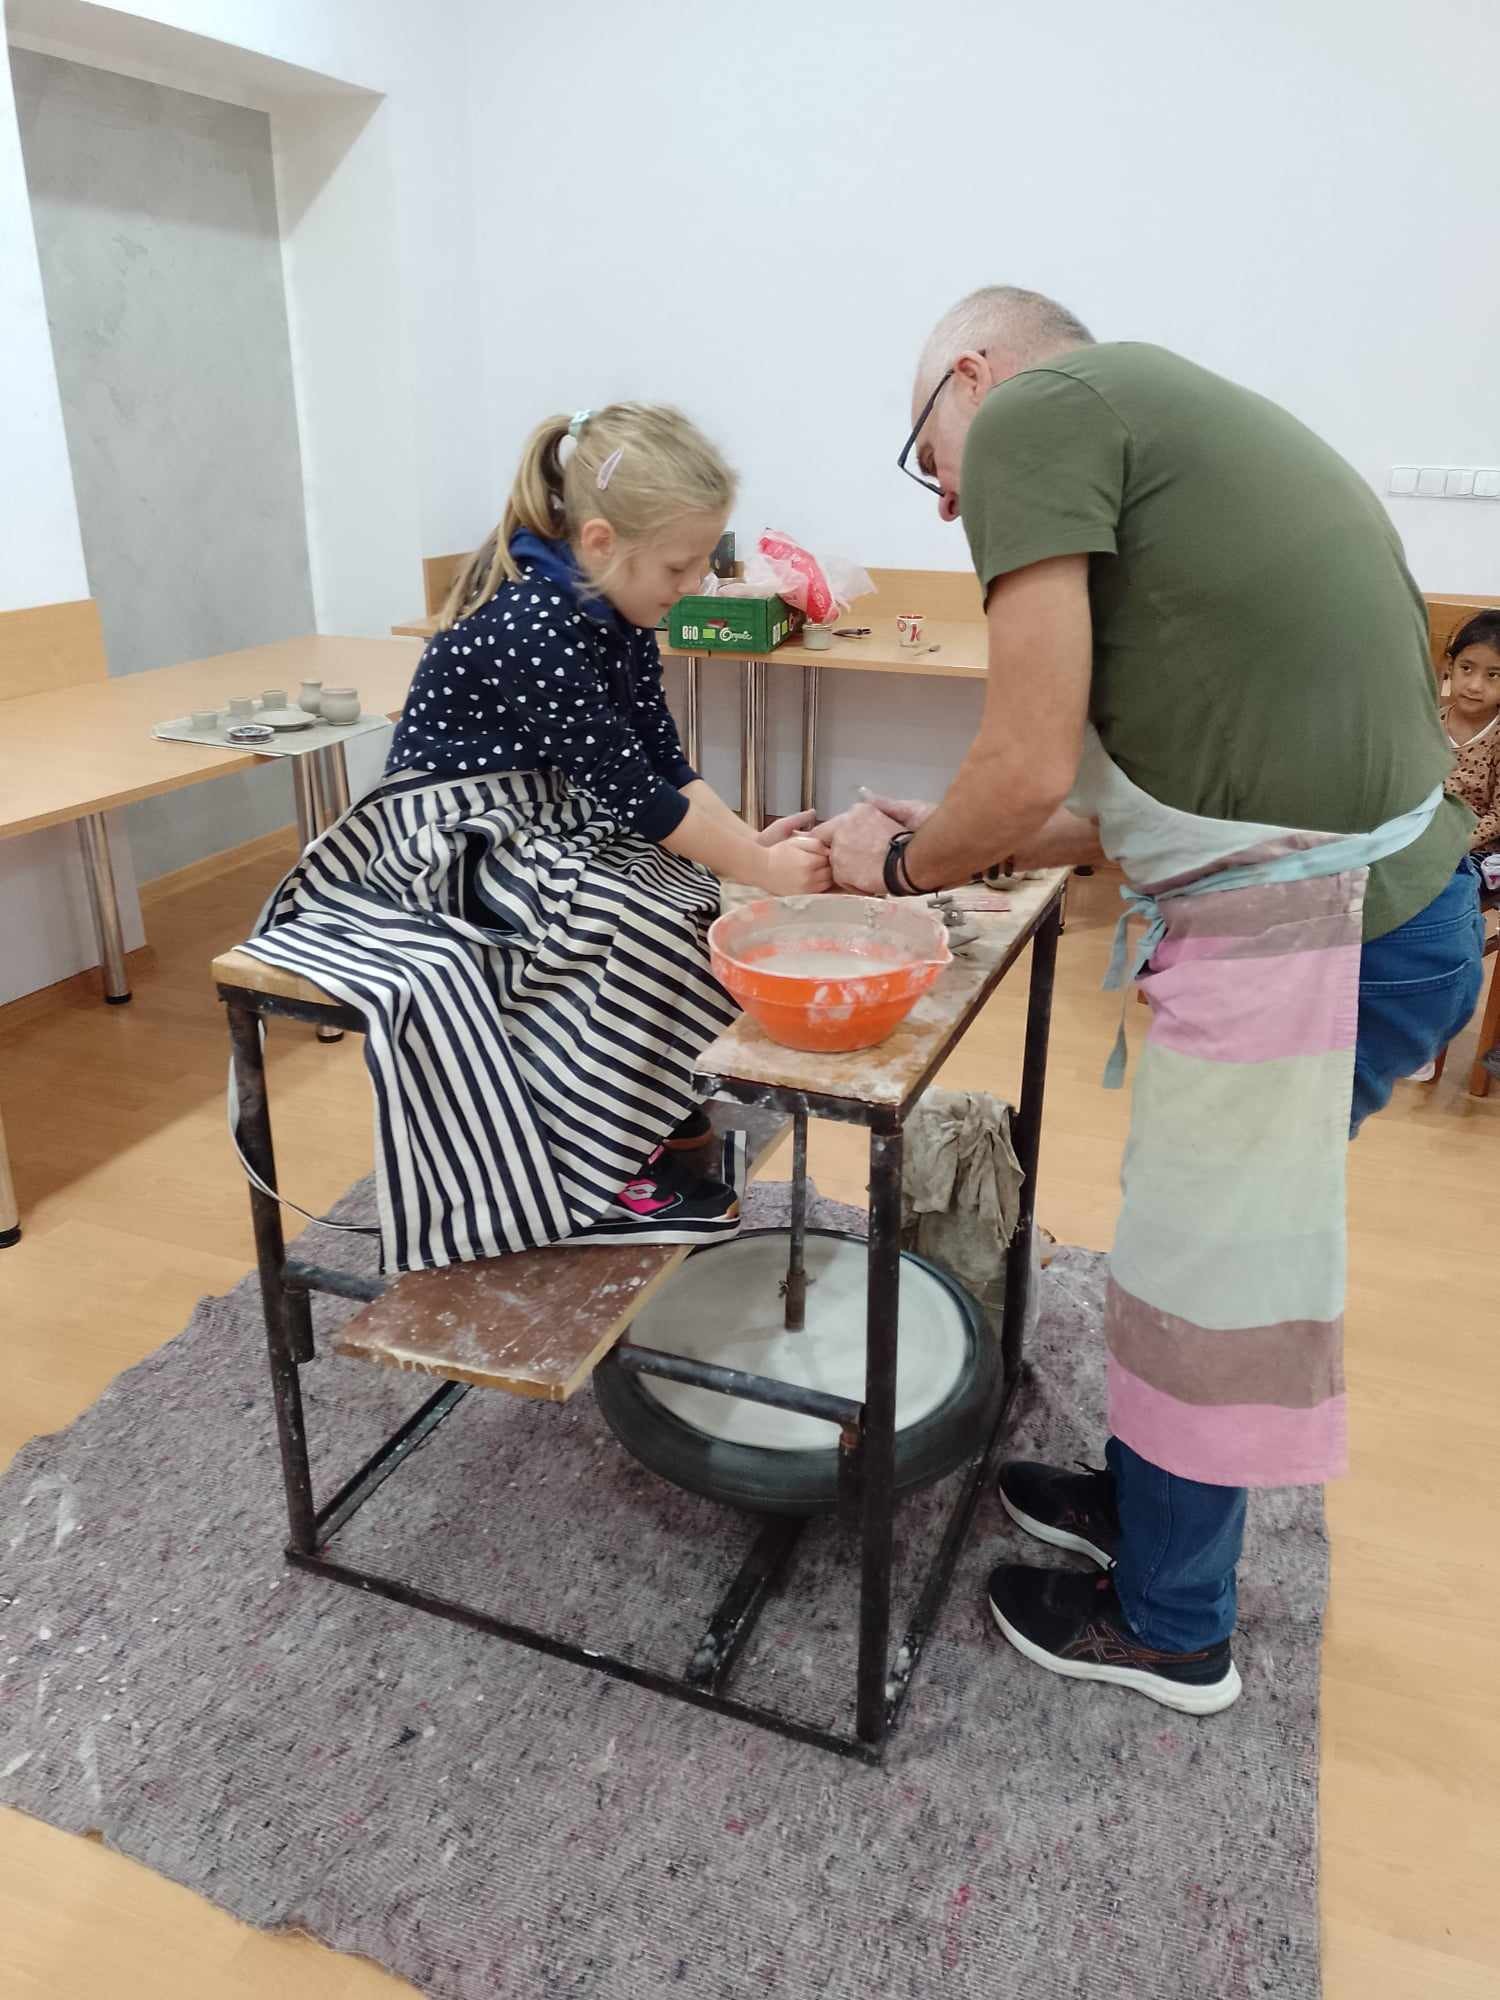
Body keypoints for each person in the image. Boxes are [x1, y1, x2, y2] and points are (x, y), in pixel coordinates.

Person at [819, 288, 1486, 1715]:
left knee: (1208, 1273)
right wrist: (961, 839)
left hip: (1325, 930)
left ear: (975, 376)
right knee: (1189, 1241)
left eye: (931, 461)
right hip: (1379, 911)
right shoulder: (1166, 418)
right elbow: (1163, 802)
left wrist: (900, 865)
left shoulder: (1038, 418)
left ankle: (1176, 1624)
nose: (949, 504)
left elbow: (1023, 765)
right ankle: (1145, 1497)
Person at [245, 404, 829, 1272]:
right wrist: (762, 864)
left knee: (692, 896)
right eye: (679, 565)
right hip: (447, 836)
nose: (695, 582)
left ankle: (645, 1103)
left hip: (542, 813)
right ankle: (590, 1173)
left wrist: (751, 852)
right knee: (621, 921)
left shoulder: (617, 609)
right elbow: (633, 794)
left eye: (705, 559)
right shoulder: (532, 622)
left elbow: (660, 761)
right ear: (600, 541)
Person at [1440, 610, 1500, 857]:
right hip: (1425, 835)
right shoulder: (1430, 724)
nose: (1475, 686)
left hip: (1477, 850)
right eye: (1466, 668)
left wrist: (1454, 847)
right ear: (1450, 666)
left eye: (1493, 675)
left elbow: (1498, 816)